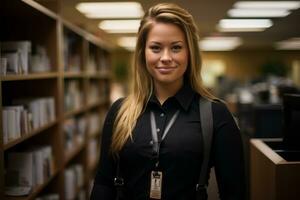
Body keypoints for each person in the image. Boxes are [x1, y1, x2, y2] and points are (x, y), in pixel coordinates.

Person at [90, 3, 245, 200]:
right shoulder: (119, 111)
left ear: (190, 53)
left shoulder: (216, 114)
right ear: (142, 53)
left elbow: (234, 192)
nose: (165, 57)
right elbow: (103, 184)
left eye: (176, 48)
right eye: (155, 48)